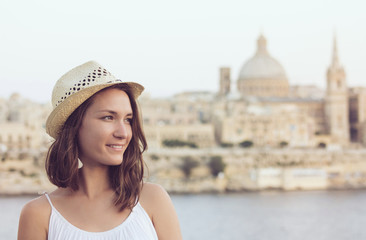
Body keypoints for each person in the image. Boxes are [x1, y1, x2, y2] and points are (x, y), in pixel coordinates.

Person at [17, 61, 182, 240]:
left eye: (128, 119)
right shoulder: (39, 215)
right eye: (108, 117)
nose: (124, 133)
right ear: (75, 125)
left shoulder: (153, 200)